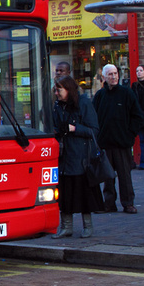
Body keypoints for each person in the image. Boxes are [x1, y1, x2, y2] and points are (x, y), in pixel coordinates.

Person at [52, 76, 103, 238]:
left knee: (84, 193)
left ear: (68, 89)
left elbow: (93, 130)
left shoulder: (83, 103)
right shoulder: (57, 106)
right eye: (56, 89)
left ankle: (87, 226)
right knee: (64, 194)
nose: (57, 93)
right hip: (64, 157)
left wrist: (75, 129)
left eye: (59, 89)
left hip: (81, 158)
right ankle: (66, 227)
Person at [92, 63, 144, 214]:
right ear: (104, 77)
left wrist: (130, 135)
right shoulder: (100, 96)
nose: (114, 77)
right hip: (105, 143)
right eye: (110, 74)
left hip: (122, 143)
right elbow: (93, 117)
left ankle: (128, 203)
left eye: (115, 73)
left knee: (124, 175)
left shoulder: (127, 94)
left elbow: (137, 117)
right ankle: (109, 203)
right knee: (107, 176)